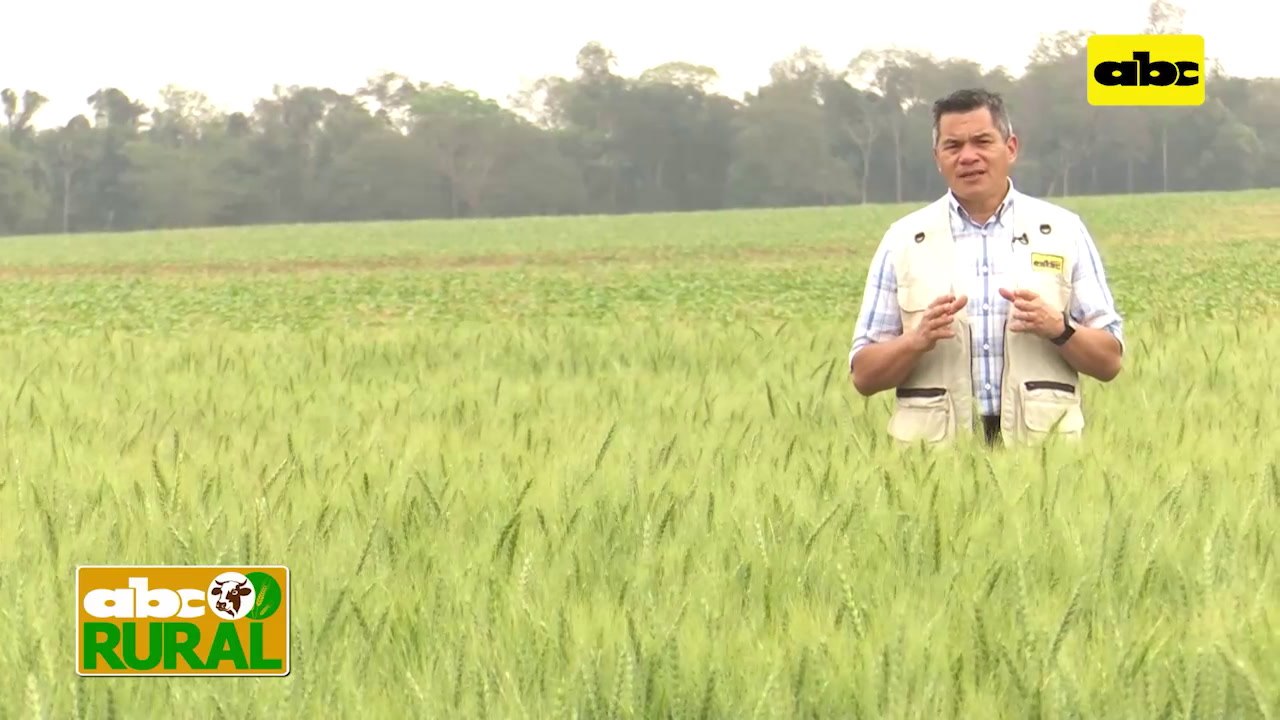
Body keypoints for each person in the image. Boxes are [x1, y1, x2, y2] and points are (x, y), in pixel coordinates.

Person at [847, 88, 1124, 447]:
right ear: (937, 157)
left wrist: (1058, 328)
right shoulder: (902, 241)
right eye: (953, 146)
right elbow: (864, 376)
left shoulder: (1063, 231)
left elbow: (1109, 362)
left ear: (1010, 148)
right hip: (934, 461)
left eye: (981, 141)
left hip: (1043, 458)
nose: (968, 157)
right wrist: (916, 340)